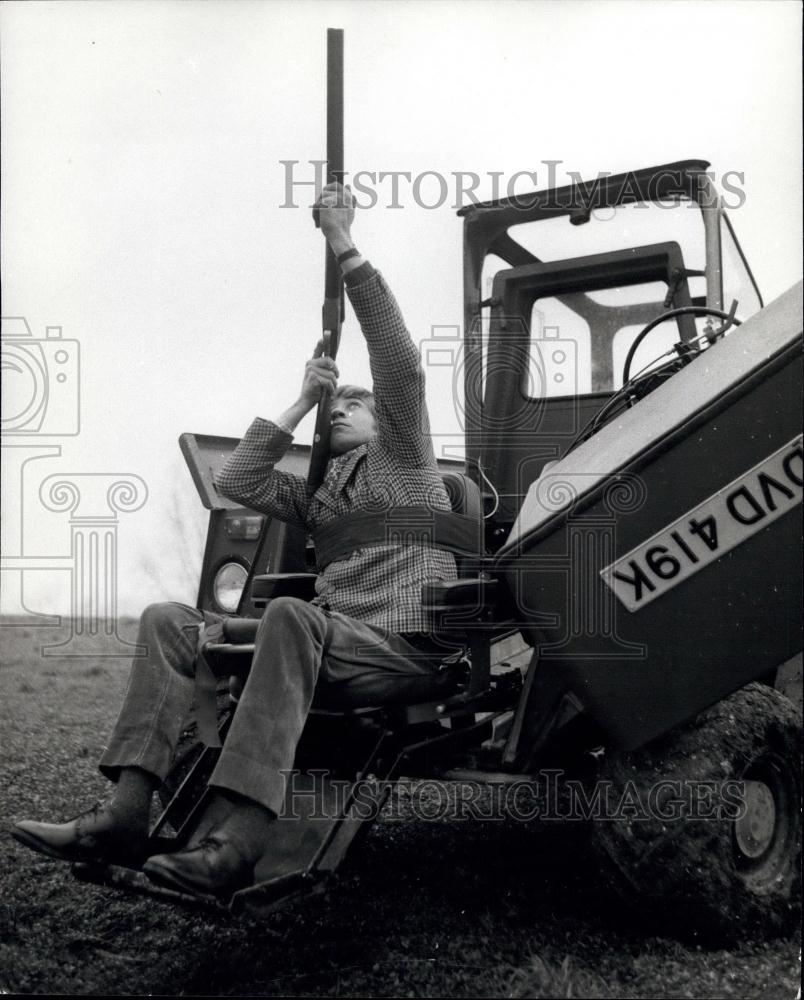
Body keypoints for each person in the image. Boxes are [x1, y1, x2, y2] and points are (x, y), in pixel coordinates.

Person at [11, 183, 459, 898]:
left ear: (388, 424)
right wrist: (300, 401)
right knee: (168, 623)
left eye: (352, 405)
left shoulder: (405, 455)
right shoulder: (317, 491)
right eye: (335, 403)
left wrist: (341, 241)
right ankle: (124, 816)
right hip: (330, 639)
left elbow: (399, 362)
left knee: (289, 616)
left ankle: (237, 843)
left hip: (399, 641)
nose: (340, 407)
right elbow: (244, 477)